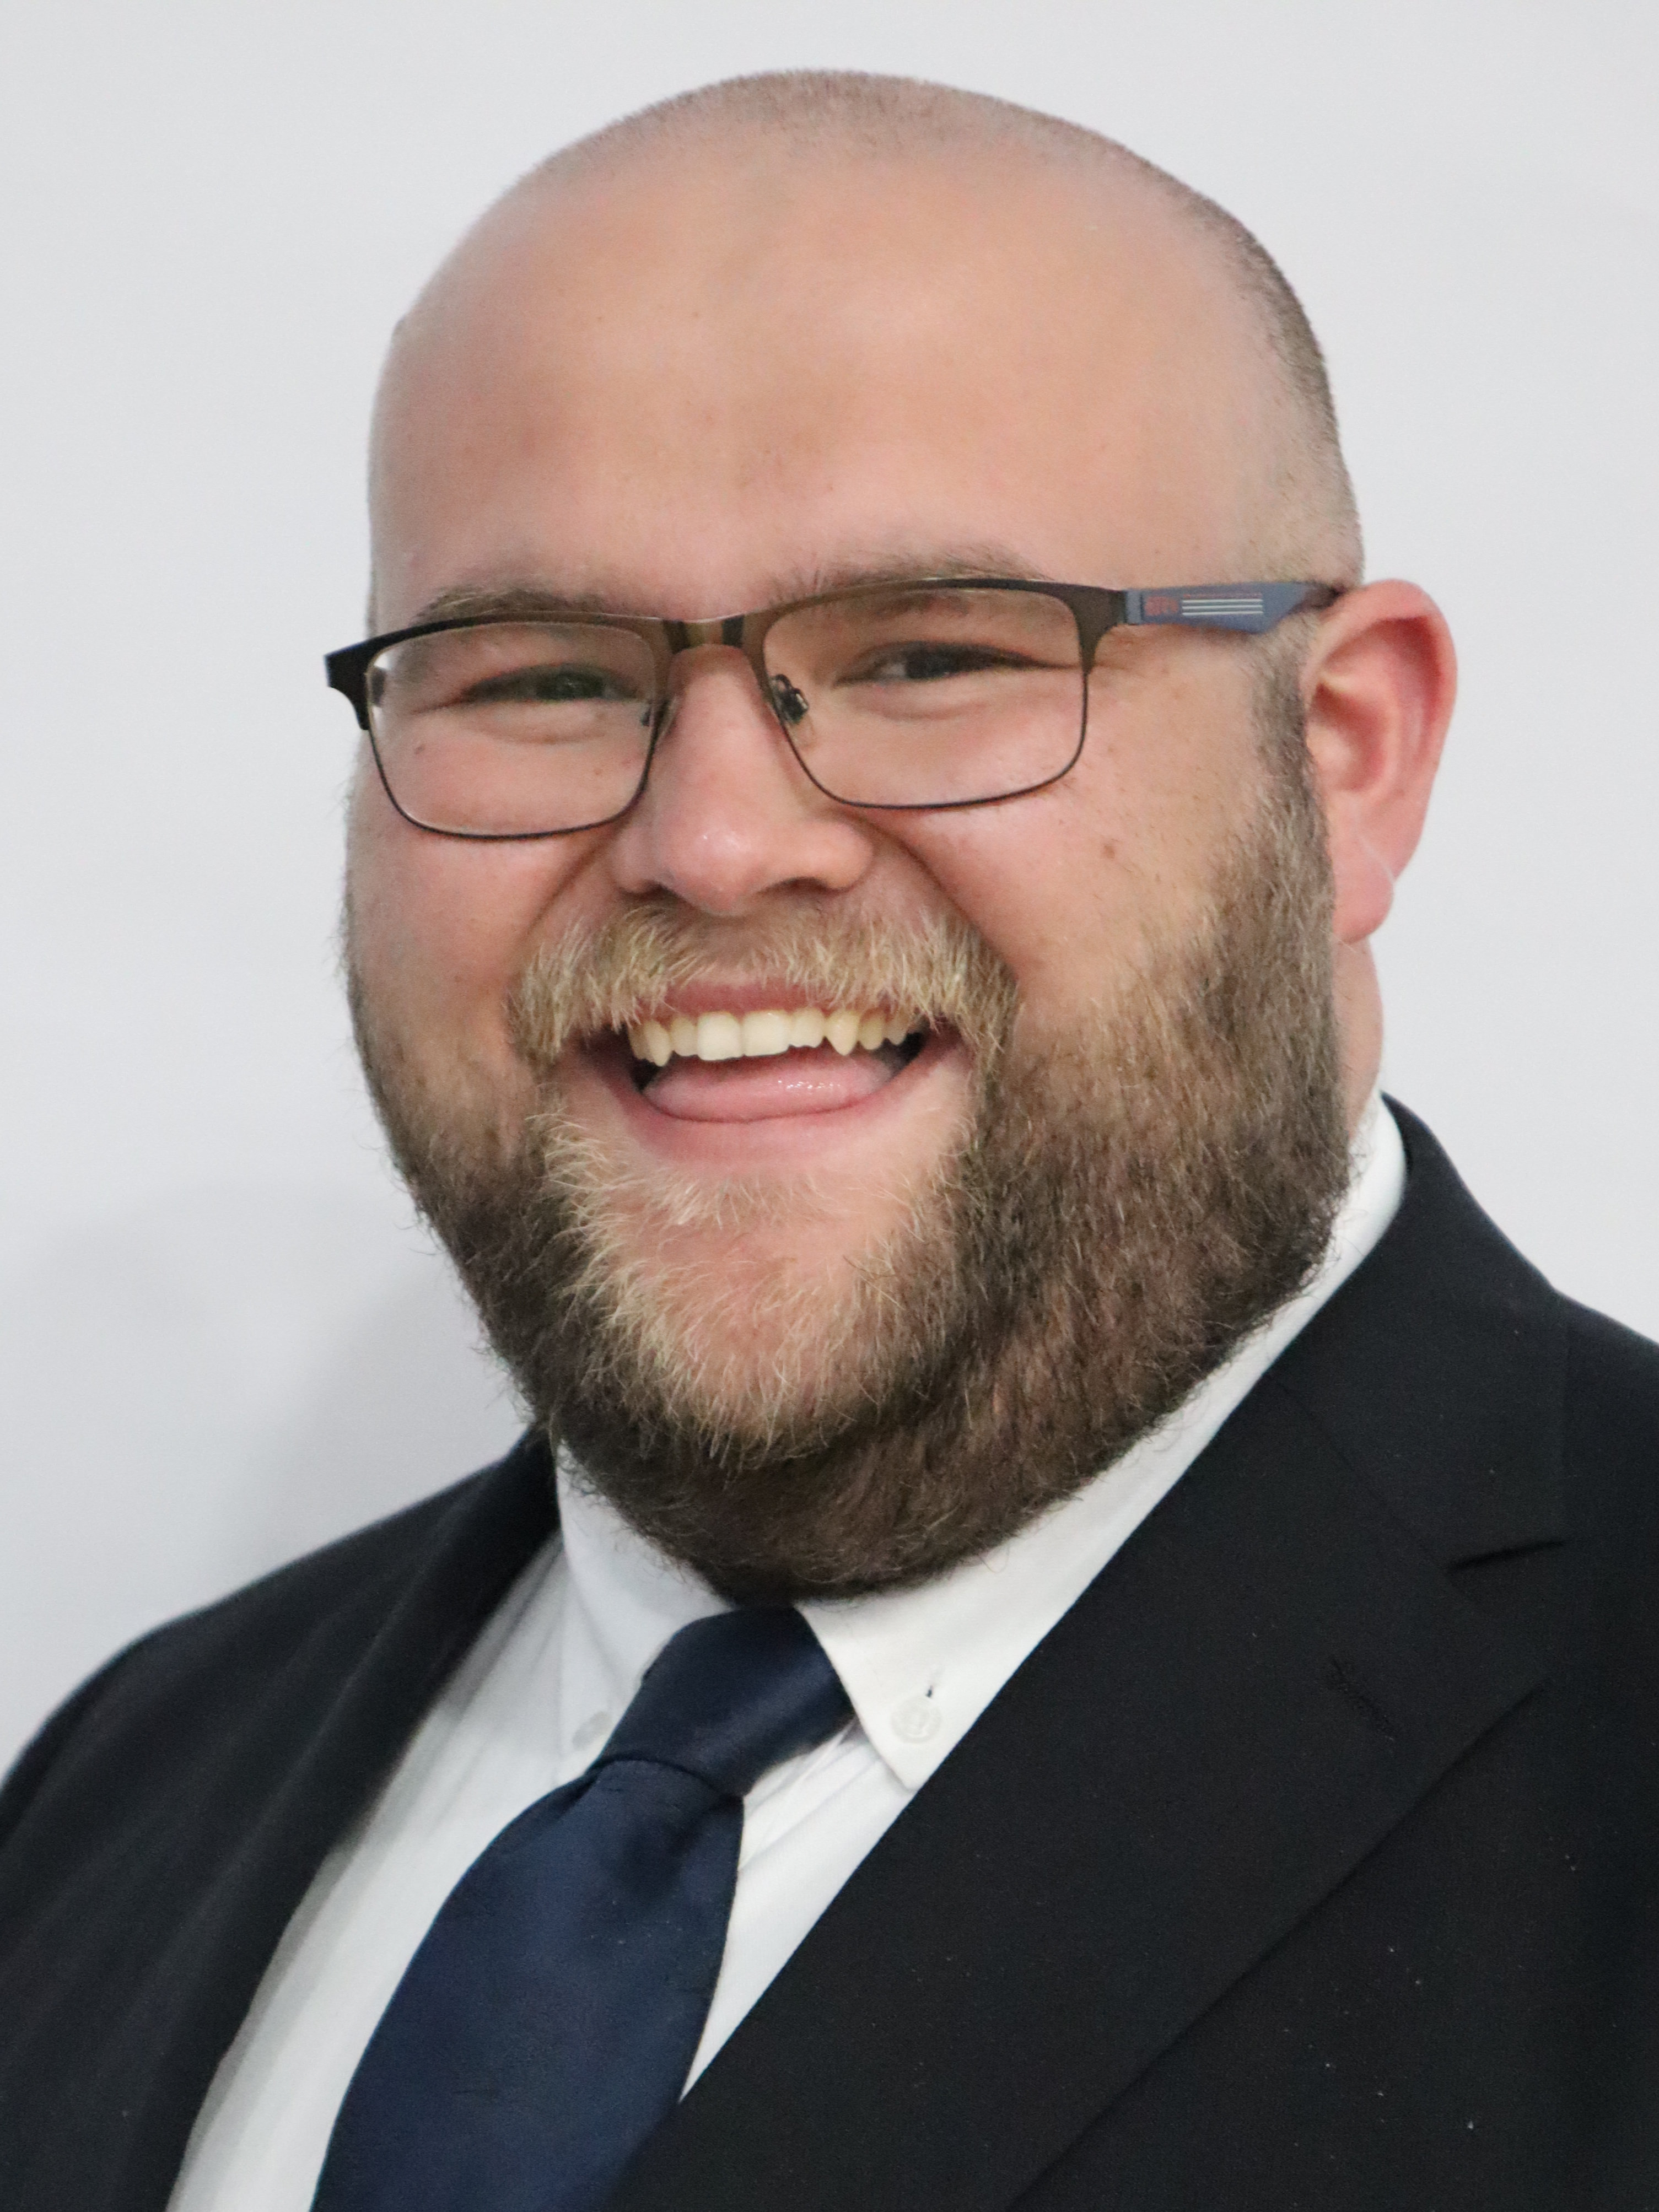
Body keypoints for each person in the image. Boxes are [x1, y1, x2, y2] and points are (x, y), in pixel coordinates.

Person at [1, 68, 1655, 2212]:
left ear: (1346, 758)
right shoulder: (121, 1792)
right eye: (542, 681)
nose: (711, 840)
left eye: (932, 653)